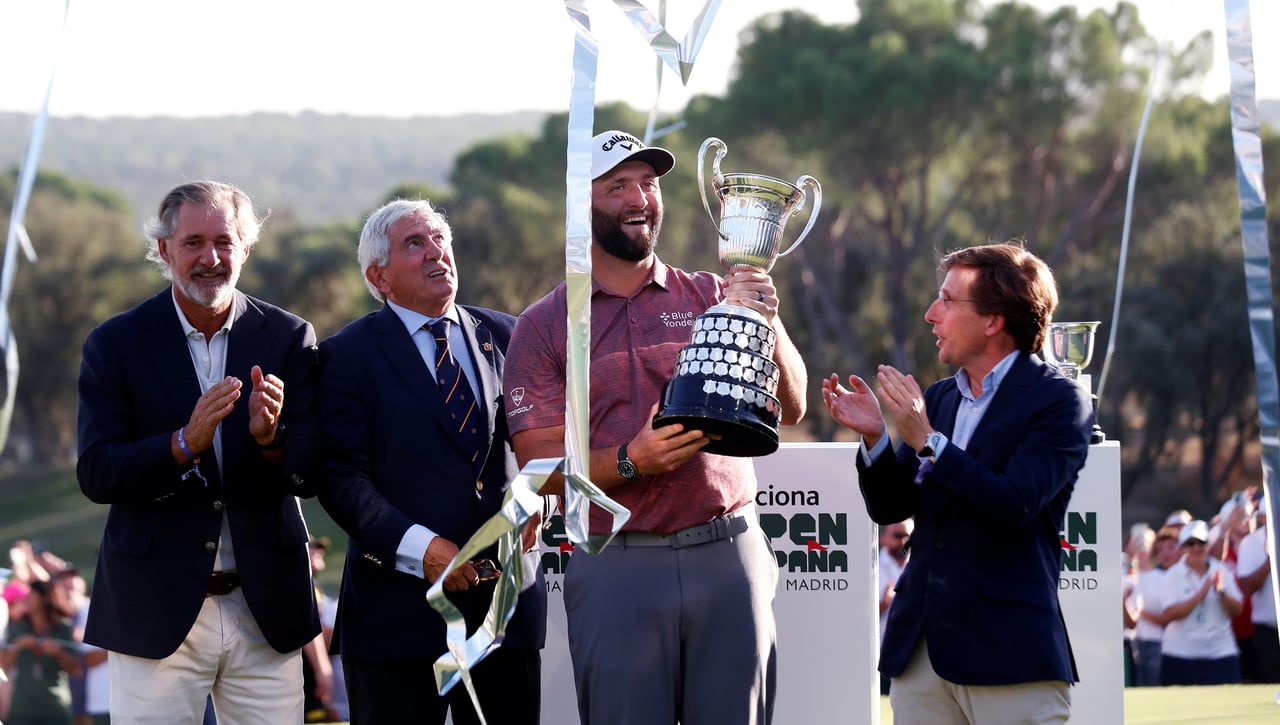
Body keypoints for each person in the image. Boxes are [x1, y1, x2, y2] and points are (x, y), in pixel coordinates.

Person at [504, 129, 808, 725]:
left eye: (648, 183)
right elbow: (541, 474)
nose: (638, 198)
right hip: (617, 560)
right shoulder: (543, 326)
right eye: (616, 186)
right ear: (579, 205)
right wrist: (630, 460)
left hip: (727, 553)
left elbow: (791, 406)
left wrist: (764, 319)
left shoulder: (713, 293)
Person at [76, 180, 323, 723]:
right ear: (164, 250)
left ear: (246, 250)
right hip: (153, 610)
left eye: (224, 241)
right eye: (193, 243)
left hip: (267, 612)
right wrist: (182, 444)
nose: (210, 258)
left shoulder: (289, 336)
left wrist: (270, 439)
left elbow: (311, 472)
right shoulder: (115, 343)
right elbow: (97, 472)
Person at [822, 241, 1092, 723]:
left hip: (1009, 652)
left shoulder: (1060, 401)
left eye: (947, 300)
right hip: (921, 650)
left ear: (993, 321)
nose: (930, 314)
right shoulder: (941, 398)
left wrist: (929, 442)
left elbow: (1014, 503)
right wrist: (876, 437)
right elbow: (890, 507)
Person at [317, 198, 545, 725]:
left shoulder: (510, 335)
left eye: (440, 239)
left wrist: (544, 497)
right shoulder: (345, 356)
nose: (436, 252)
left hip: (504, 612)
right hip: (397, 622)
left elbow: (545, 443)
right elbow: (341, 480)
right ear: (379, 275)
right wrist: (426, 551)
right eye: (414, 243)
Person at [1159, 519, 1244, 685]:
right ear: (1183, 548)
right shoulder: (1173, 574)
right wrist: (1200, 595)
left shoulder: (1221, 570)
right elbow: (1168, 614)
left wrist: (1221, 592)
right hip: (1180, 654)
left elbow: (1237, 609)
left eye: (1201, 542)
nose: (1196, 548)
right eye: (1190, 543)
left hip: (1221, 653)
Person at [1, 579, 82, 725]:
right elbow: (5, 666)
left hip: (55, 708)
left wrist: (58, 653)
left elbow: (75, 670)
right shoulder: (19, 627)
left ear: (44, 598)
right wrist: (17, 647)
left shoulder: (63, 628)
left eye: (32, 595)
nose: (26, 599)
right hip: (22, 710)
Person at [1128, 525, 1182, 686]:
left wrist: (1140, 612)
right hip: (1127, 644)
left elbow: (1167, 616)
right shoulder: (1122, 572)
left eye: (1145, 541)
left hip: (1155, 643)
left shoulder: (1163, 577)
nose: (1141, 546)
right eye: (1136, 540)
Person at [1236, 501, 1278, 682]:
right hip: (1267, 631)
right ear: (1262, 517)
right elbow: (1248, 587)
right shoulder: (1250, 543)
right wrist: (1271, 559)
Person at [879, 519, 912, 695]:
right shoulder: (873, 567)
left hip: (914, 657)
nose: (903, 541)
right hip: (881, 655)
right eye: (898, 535)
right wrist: (884, 603)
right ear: (884, 538)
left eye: (908, 536)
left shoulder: (920, 565)